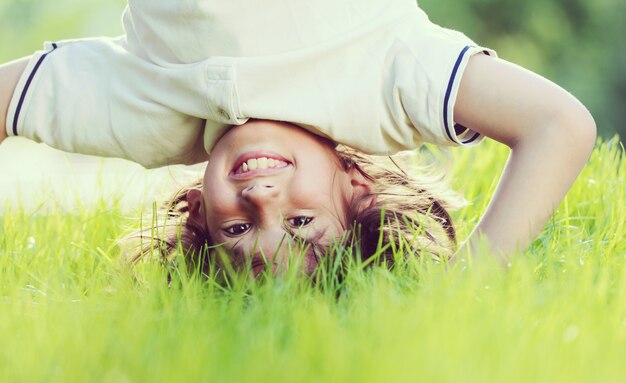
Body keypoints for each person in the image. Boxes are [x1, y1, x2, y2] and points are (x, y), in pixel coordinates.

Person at [0, 0, 596, 274]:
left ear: (200, 214)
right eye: (301, 224)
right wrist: (469, 288)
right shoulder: (385, 87)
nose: (262, 201)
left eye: (237, 230)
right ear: (357, 187)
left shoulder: (141, 114)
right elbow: (559, 125)